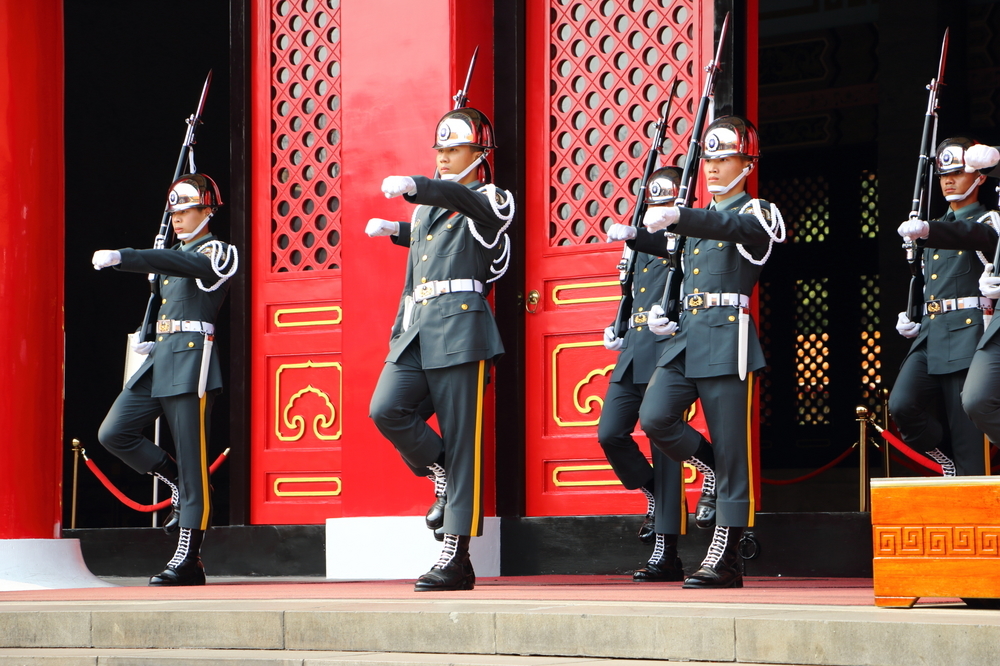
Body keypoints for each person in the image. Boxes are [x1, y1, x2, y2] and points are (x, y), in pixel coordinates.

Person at [607, 116, 785, 589]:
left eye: (723, 158)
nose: (713, 167)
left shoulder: (760, 212)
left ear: (747, 164)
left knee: (733, 447)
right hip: (687, 333)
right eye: (708, 158)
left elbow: (732, 227)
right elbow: (677, 269)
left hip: (728, 333)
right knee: (656, 416)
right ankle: (708, 466)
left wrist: (681, 218)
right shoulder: (691, 220)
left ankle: (725, 555)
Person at [367, 107, 514, 591]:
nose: (445, 158)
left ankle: (457, 556)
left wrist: (417, 185)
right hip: (420, 326)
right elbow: (415, 276)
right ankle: (444, 474)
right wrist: (399, 232)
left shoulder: (491, 198)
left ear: (479, 154)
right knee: (386, 408)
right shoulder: (429, 207)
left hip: (461, 327)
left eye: (454, 149)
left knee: (462, 436)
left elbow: (464, 203)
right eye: (441, 150)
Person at [92, 173, 238, 586]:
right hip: (162, 357)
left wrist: (130, 256)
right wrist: (150, 334)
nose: (177, 218)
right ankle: (173, 479)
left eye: (187, 209)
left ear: (207, 211)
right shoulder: (168, 254)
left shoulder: (220, 251)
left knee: (195, 464)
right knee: (114, 432)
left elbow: (190, 265)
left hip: (193, 359)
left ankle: (189, 557)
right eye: (173, 210)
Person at [598, 167, 717, 582]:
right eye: (654, 200)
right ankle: (649, 492)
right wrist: (619, 325)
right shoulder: (638, 243)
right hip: (634, 349)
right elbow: (631, 292)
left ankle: (666, 553)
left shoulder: (686, 235)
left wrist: (636, 234)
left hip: (669, 347)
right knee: (610, 432)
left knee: (665, 454)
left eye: (666, 200)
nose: (658, 208)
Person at [896, 139, 1000, 475]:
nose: (948, 181)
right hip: (932, 333)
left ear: (980, 177)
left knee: (969, 432)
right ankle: (945, 460)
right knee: (901, 404)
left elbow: (973, 235)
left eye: (957, 173)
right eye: (943, 175)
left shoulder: (989, 220)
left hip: (967, 330)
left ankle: (980, 518)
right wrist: (913, 316)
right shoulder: (935, 225)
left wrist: (929, 231)